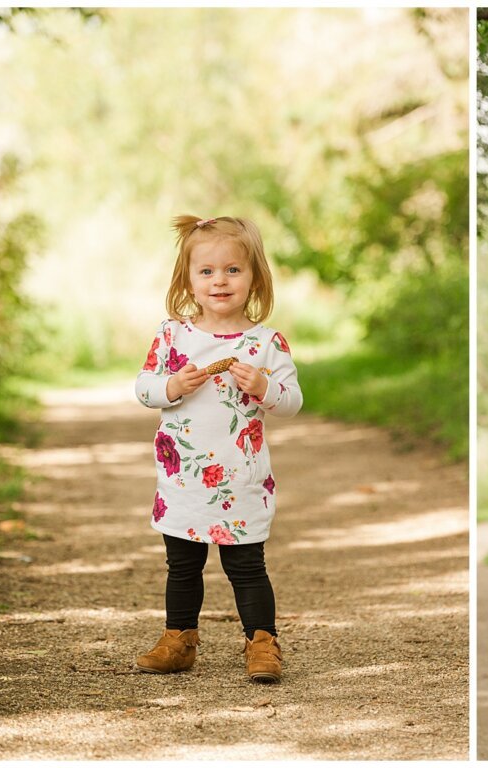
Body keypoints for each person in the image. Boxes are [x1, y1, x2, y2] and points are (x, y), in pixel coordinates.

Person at [134, 215, 303, 683]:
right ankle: (179, 638)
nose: (220, 281)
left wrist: (264, 386)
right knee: (182, 563)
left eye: (233, 270)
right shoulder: (173, 336)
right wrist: (171, 384)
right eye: (206, 271)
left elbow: (292, 402)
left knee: (247, 565)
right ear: (188, 279)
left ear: (254, 278)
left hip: (240, 478)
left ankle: (262, 642)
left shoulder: (265, 342)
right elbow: (144, 388)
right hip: (184, 477)